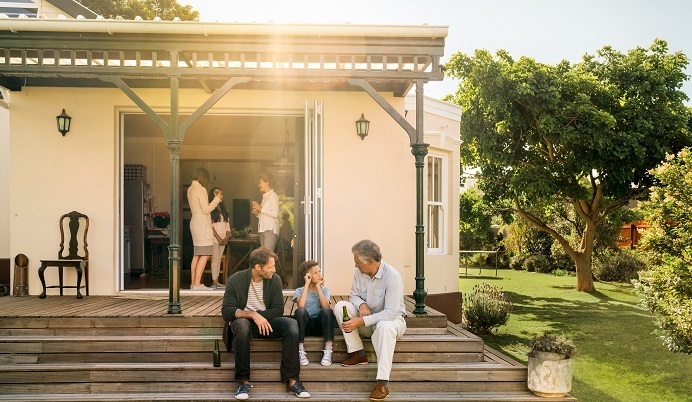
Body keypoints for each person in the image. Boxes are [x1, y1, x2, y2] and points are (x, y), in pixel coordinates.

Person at [221, 247, 310, 400]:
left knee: (292, 325)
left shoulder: (274, 280)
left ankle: (293, 381)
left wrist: (259, 316)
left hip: (267, 324)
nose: (274, 270)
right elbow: (227, 311)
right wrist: (252, 315)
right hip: (244, 325)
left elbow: (278, 310)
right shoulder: (235, 280)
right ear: (258, 267)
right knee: (242, 325)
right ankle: (243, 382)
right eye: (270, 267)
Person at [334, 240, 407, 402]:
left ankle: (382, 383)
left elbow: (390, 313)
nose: (355, 266)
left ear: (369, 261)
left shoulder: (392, 276)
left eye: (357, 262)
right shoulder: (359, 272)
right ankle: (358, 353)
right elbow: (353, 295)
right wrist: (361, 303)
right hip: (366, 321)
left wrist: (361, 321)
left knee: (384, 327)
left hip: (391, 323)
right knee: (340, 306)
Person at [293, 260, 334, 366]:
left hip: (320, 326)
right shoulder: (299, 290)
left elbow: (325, 306)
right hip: (305, 326)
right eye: (315, 273)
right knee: (300, 311)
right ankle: (300, 350)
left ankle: (328, 349)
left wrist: (318, 287)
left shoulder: (325, 290)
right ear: (307, 276)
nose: (320, 274)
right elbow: (301, 305)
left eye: (319, 271)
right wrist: (307, 284)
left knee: (327, 311)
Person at [187, 167, 221, 291]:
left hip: (194, 223)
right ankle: (197, 284)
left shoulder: (191, 189)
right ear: (203, 177)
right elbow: (206, 210)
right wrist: (217, 199)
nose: (207, 181)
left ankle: (193, 283)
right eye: (207, 179)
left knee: (197, 254)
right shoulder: (201, 190)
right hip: (202, 224)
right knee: (206, 253)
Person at [251, 173, 280, 252]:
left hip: (270, 229)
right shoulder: (265, 197)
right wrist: (257, 213)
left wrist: (260, 208)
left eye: (260, 183)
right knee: (264, 255)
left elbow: (275, 213)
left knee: (267, 255)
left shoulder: (273, 196)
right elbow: (265, 214)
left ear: (267, 183)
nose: (259, 185)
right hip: (263, 229)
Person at [209, 186, 230, 289]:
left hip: (223, 238)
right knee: (215, 260)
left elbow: (227, 224)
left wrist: (226, 237)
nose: (221, 195)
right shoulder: (210, 208)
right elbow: (211, 226)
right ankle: (214, 282)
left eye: (222, 193)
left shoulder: (224, 209)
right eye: (218, 193)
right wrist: (218, 238)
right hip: (214, 238)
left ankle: (217, 282)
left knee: (218, 259)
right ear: (213, 195)